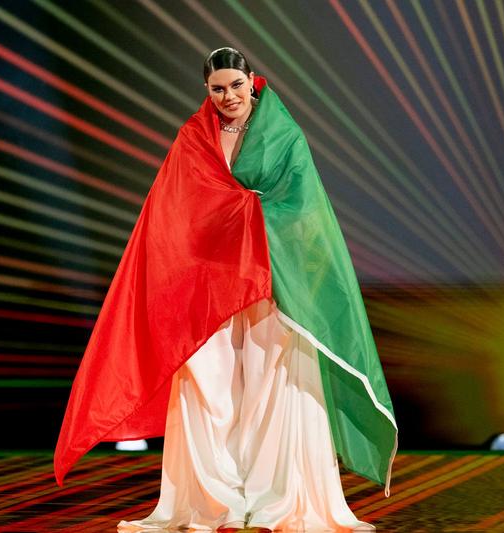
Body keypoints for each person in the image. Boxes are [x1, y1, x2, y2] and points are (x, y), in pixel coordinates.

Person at [54, 47, 398, 532]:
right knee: (204, 386)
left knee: (271, 386)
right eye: (218, 89)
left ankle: (274, 499)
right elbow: (172, 211)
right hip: (209, 286)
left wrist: (249, 216)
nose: (228, 96)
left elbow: (304, 210)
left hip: (270, 282)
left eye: (236, 85)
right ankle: (216, 503)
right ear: (207, 91)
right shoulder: (194, 137)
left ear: (252, 81)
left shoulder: (283, 136)